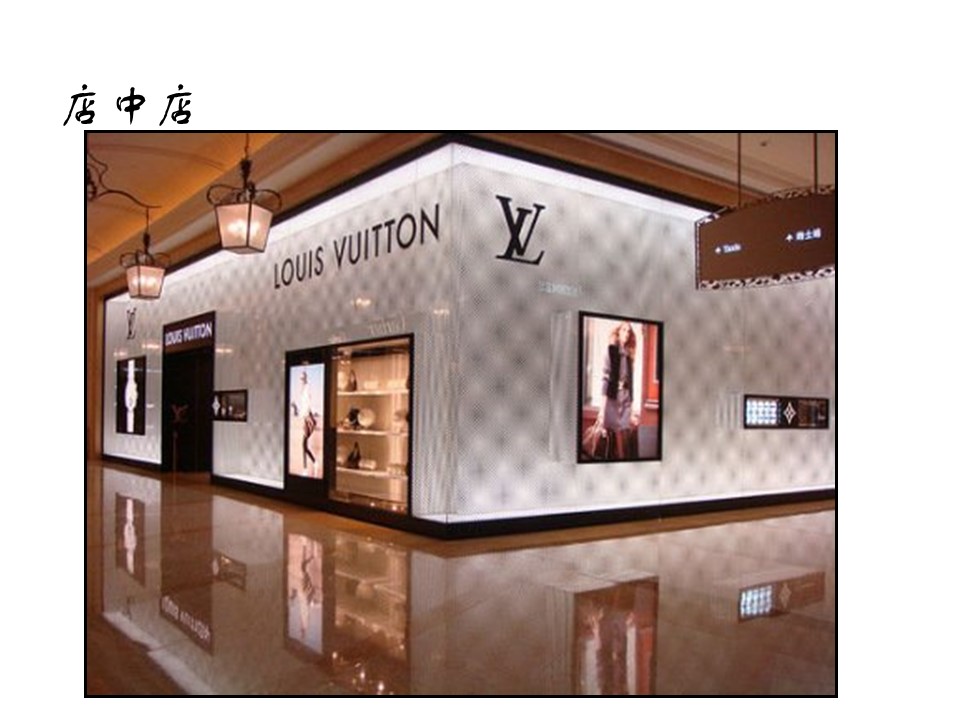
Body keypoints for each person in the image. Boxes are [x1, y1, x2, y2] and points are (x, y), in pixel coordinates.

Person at [599, 321, 638, 459]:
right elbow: (605, 378)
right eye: (624, 330)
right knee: (612, 438)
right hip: (613, 399)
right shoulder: (611, 351)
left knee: (625, 435)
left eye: (629, 331)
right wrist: (602, 409)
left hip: (625, 397)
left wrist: (631, 406)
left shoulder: (629, 355)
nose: (626, 334)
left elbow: (630, 382)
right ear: (618, 332)